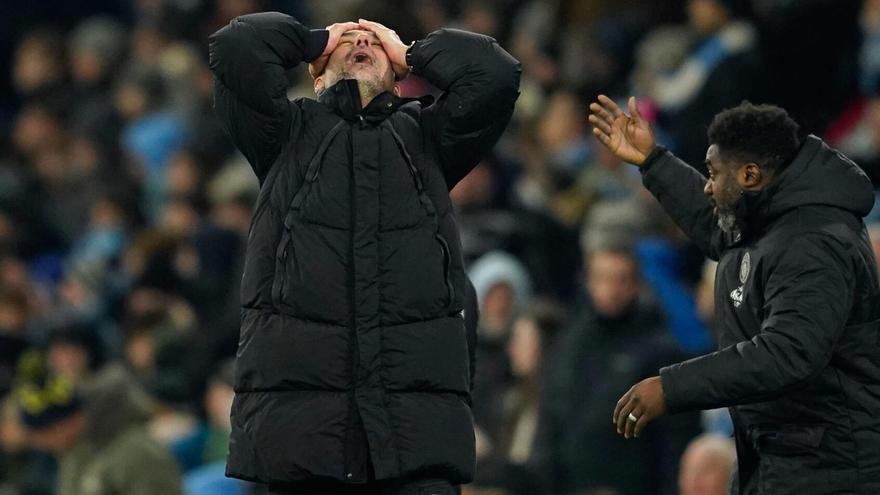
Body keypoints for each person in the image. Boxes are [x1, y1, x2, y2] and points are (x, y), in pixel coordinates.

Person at [208, 11, 520, 494]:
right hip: (307, 445)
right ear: (316, 73)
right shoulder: (283, 134)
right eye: (347, 42)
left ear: (398, 73)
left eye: (372, 43)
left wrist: (412, 52)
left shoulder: (430, 139)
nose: (360, 44)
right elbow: (235, 46)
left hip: (413, 445)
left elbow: (496, 75)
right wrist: (315, 38)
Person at [589, 96, 880, 494]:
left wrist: (671, 387)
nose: (707, 186)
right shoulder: (769, 218)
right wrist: (653, 161)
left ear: (749, 175)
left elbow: (789, 352)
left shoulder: (814, 243)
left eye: (713, 173)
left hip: (831, 469)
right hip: (784, 458)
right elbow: (718, 231)